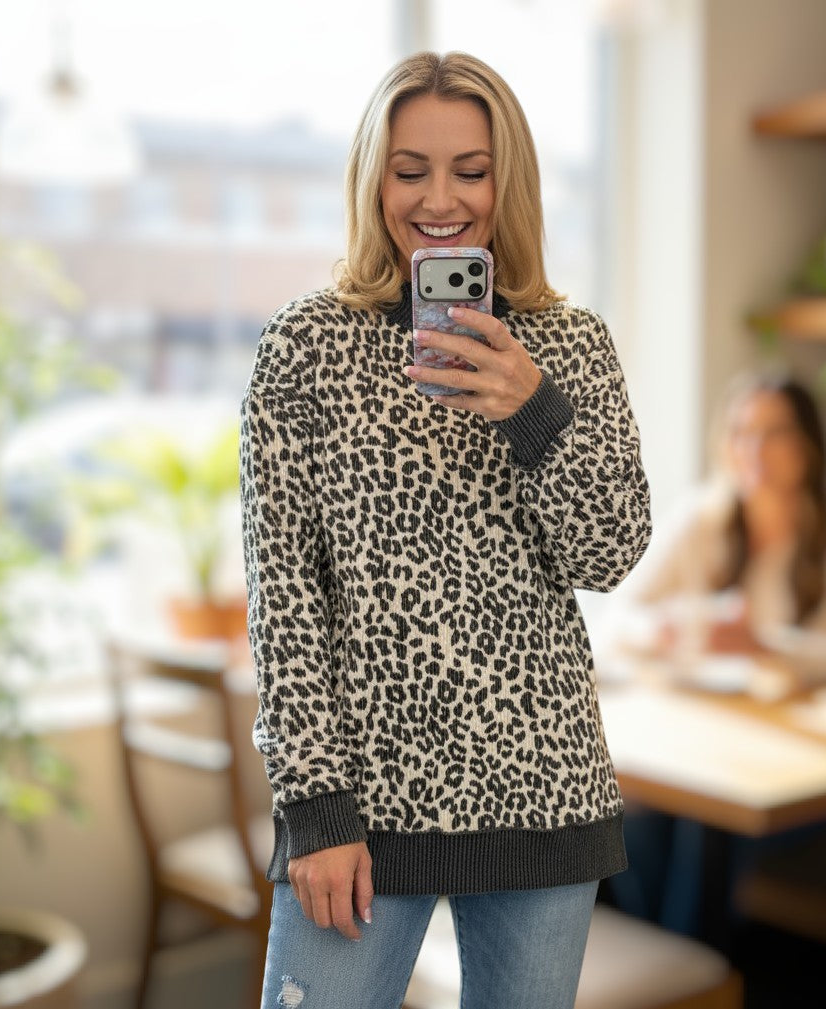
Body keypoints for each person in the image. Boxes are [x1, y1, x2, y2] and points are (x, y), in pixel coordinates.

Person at [238, 51, 652, 1009]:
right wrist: (316, 805)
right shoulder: (304, 345)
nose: (439, 199)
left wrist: (532, 409)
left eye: (470, 169)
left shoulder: (571, 345)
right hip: (361, 810)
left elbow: (611, 551)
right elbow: (285, 598)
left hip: (545, 789)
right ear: (373, 179)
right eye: (409, 169)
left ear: (509, 181)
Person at [596, 369, 826, 934]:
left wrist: (766, 646)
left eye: (774, 432)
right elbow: (618, 621)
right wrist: (673, 629)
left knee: (701, 821)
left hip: (817, 757)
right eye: (741, 431)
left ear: (809, 444)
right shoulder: (703, 517)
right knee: (639, 814)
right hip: (715, 742)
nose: (754, 448)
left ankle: (691, 967)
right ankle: (677, 966)